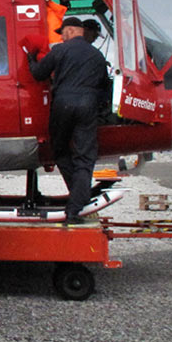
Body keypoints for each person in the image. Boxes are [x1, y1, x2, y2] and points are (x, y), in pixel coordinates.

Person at [28, 16, 112, 221]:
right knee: (84, 157)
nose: (61, 37)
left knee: (59, 150)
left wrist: (30, 58)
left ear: (72, 30)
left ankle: (77, 196)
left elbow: (38, 74)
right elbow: (105, 87)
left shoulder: (60, 50)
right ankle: (76, 204)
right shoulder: (97, 55)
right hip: (87, 106)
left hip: (62, 105)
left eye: (62, 33)